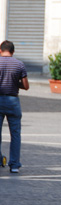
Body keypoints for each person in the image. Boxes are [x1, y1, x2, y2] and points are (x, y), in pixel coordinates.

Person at [0, 40, 30, 173]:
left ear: (0, 50)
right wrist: (15, 83)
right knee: (15, 134)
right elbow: (26, 86)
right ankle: (14, 165)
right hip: (13, 101)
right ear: (13, 51)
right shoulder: (19, 64)